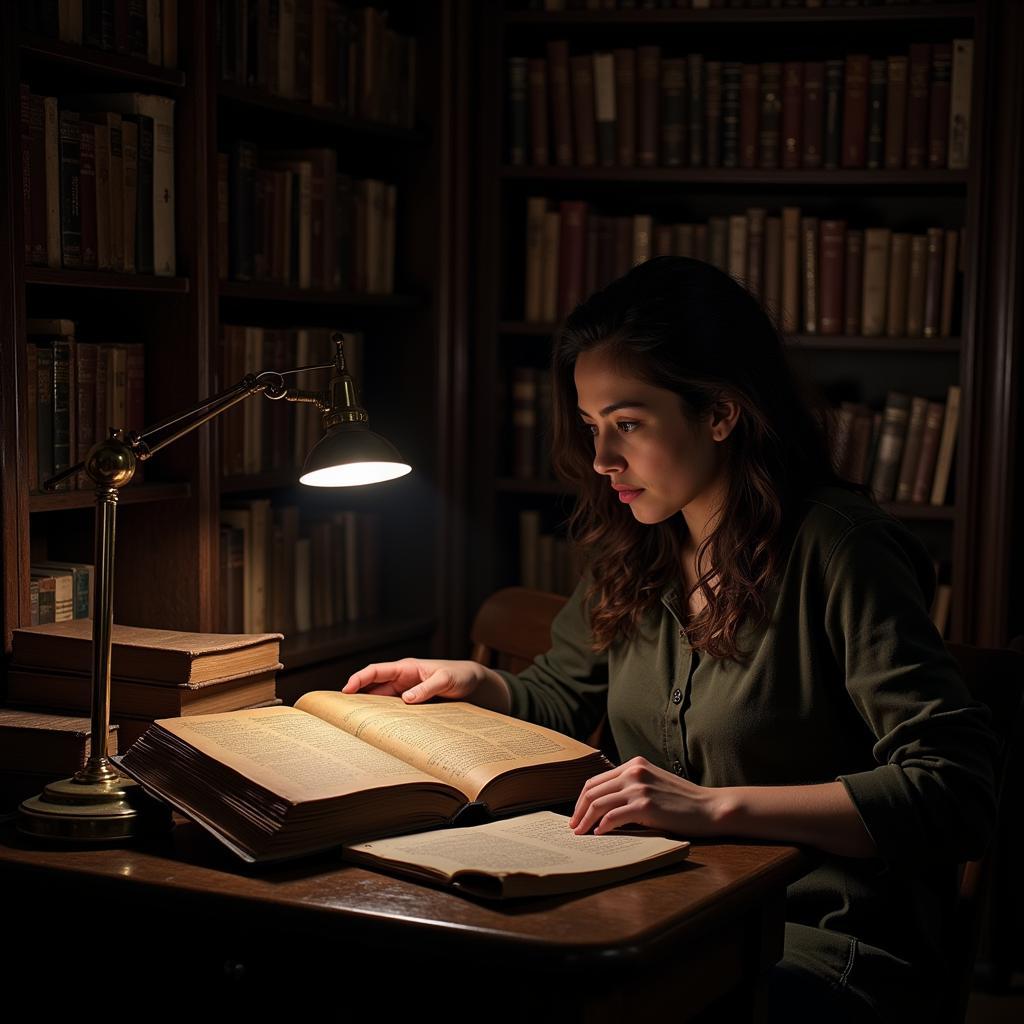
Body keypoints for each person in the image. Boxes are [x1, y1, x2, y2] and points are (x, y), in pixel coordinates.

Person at [342, 256, 998, 1022]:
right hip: (648, 919)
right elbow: (562, 697)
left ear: (720, 414)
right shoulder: (639, 546)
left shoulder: (841, 550)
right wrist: (475, 682)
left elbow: (956, 790)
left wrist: (714, 809)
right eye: (592, 428)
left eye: (627, 424)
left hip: (814, 948)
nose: (600, 460)